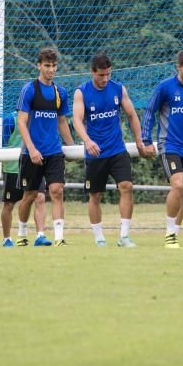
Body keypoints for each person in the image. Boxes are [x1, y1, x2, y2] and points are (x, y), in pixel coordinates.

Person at [73, 54, 149, 248]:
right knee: (95, 196)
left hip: (117, 150)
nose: (105, 79)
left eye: (108, 74)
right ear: (92, 72)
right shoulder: (82, 92)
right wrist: (87, 141)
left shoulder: (118, 89)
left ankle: (124, 236)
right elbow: (77, 121)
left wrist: (139, 140)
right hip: (95, 153)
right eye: (101, 75)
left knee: (127, 187)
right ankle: (99, 238)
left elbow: (132, 115)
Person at [142, 50, 183, 249]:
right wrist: (146, 138)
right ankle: (169, 233)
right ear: (178, 67)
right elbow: (150, 112)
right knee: (178, 185)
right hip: (169, 145)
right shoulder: (165, 87)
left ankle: (175, 235)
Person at [14, 48, 75, 246]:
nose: (51, 70)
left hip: (54, 151)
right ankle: (22, 233)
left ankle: (59, 237)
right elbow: (21, 122)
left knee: (57, 190)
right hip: (32, 153)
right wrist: (31, 149)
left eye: (54, 66)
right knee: (30, 196)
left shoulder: (61, 92)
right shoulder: (29, 90)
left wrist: (72, 147)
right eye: (47, 66)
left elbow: (62, 121)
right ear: (39, 66)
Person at [0, 111, 48, 247]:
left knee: (40, 198)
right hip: (13, 168)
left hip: (35, 164)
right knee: (9, 204)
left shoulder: (40, 117)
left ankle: (40, 235)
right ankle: (7, 238)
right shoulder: (10, 119)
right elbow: (2, 143)